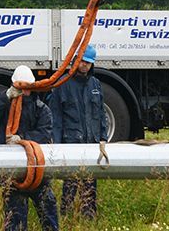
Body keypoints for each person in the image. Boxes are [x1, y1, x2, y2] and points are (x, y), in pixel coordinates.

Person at [0, 66, 60, 231]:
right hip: (15, 175)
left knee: (48, 211)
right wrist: (5, 97)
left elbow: (44, 134)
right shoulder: (5, 105)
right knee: (15, 220)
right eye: (20, 87)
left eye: (26, 87)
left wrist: (22, 138)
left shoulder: (41, 109)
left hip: (37, 173)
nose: (24, 91)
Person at [48, 45, 109, 220]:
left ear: (92, 64)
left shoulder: (95, 84)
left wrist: (103, 138)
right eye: (82, 61)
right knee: (71, 182)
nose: (84, 65)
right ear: (75, 60)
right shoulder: (63, 84)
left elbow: (101, 114)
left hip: (92, 142)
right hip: (72, 143)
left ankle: (88, 216)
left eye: (88, 63)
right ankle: (66, 214)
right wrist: (57, 145)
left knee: (90, 182)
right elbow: (56, 118)